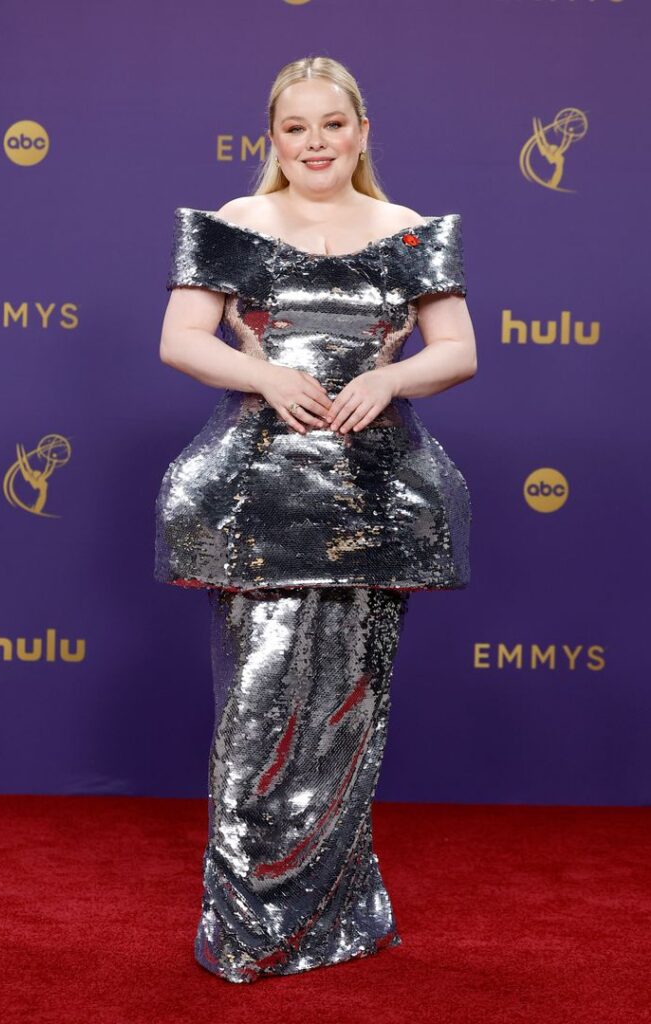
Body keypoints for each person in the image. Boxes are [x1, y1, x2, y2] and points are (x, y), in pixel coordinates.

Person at [155, 55, 477, 984]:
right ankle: (249, 928)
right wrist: (261, 373)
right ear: (273, 138)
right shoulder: (231, 224)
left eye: (331, 125)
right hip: (255, 490)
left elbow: (456, 349)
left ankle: (334, 920)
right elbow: (180, 337)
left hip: (379, 491)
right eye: (295, 129)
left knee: (348, 711)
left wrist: (387, 374)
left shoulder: (409, 231)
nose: (314, 144)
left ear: (360, 131)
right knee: (257, 712)